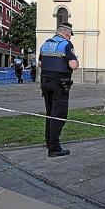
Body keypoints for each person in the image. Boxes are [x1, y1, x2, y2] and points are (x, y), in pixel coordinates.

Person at [39, 22, 78, 157]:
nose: (70, 37)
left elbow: (40, 63)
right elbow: (73, 65)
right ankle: (54, 148)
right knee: (59, 115)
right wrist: (76, 61)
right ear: (67, 33)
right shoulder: (66, 45)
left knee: (49, 113)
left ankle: (49, 142)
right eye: (70, 35)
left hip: (45, 82)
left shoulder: (45, 44)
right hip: (59, 84)